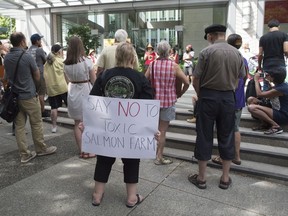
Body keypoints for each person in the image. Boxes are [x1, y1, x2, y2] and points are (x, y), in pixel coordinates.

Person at [89, 42, 155, 207]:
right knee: (132, 160)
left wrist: (89, 124)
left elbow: (93, 100)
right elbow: (148, 105)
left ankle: (97, 195)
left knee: (104, 159)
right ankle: (132, 198)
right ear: (133, 58)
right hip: (131, 130)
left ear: (117, 57)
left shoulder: (104, 75)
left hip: (108, 127)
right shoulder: (140, 78)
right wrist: (151, 129)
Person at [188, 24, 245, 190]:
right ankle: (225, 178)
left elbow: (196, 78)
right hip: (228, 98)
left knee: (204, 135)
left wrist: (200, 94)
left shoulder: (206, 52)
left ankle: (202, 178)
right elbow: (240, 77)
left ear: (211, 36)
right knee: (227, 135)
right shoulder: (237, 53)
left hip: (208, 97)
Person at [4, 32, 57, 163]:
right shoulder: (26, 56)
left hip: (15, 97)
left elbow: (5, 77)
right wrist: (37, 88)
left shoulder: (7, 57)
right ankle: (41, 149)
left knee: (19, 126)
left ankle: (24, 154)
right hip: (28, 95)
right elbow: (37, 75)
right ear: (22, 42)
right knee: (36, 123)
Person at [145, 40, 189, 165]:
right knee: (162, 131)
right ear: (169, 51)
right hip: (168, 102)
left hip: (153, 102)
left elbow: (144, 80)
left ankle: (151, 152)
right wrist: (180, 93)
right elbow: (186, 82)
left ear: (157, 52)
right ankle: (159, 157)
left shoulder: (152, 65)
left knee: (154, 129)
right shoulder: (174, 66)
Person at [212, 33, 248, 166]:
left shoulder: (226, 57)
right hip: (239, 98)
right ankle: (236, 156)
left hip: (228, 98)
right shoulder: (242, 59)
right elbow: (244, 78)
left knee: (225, 129)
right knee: (235, 128)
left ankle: (224, 157)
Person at [64, 36, 96, 159]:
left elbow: (67, 80)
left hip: (72, 90)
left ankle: (82, 150)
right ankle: (89, 149)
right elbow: (94, 80)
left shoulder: (66, 64)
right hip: (85, 89)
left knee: (77, 123)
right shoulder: (87, 61)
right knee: (87, 122)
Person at [247, 67, 288, 135]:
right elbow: (263, 98)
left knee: (252, 108)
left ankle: (276, 126)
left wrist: (256, 80)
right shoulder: (279, 85)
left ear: (273, 78)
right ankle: (265, 124)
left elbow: (259, 94)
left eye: (269, 75)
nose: (266, 76)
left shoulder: (281, 89)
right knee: (251, 99)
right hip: (276, 110)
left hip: (283, 115)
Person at [258, 19, 288, 91]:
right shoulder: (284, 35)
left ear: (269, 27)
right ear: (278, 26)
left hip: (267, 64)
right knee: (280, 84)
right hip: (279, 63)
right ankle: (280, 101)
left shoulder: (263, 38)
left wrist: (259, 66)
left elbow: (260, 54)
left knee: (266, 83)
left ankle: (266, 101)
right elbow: (286, 50)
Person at [44, 44, 68, 133]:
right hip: (62, 87)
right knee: (69, 105)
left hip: (51, 88)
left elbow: (44, 76)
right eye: (61, 51)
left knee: (54, 108)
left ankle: (54, 127)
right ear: (59, 52)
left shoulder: (47, 63)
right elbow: (66, 75)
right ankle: (77, 122)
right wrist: (68, 83)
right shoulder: (61, 61)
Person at [27, 33, 49, 118]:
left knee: (34, 94)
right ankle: (42, 111)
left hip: (31, 76)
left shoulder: (28, 51)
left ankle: (35, 111)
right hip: (39, 74)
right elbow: (45, 60)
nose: (41, 41)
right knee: (41, 93)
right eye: (40, 40)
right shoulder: (39, 50)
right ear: (37, 41)